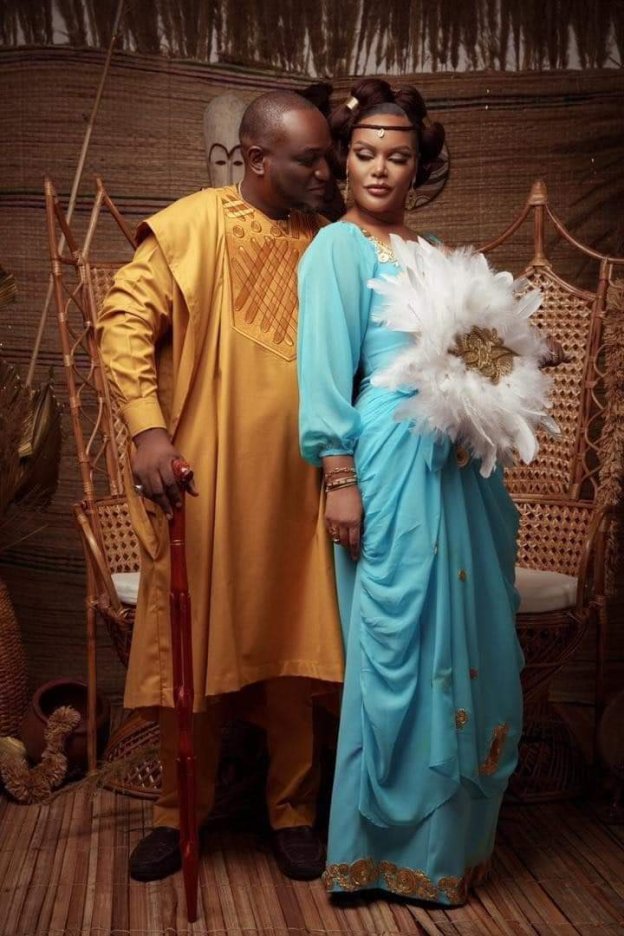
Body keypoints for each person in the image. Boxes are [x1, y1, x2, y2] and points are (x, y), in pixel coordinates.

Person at [97, 90, 344, 884]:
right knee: (190, 649)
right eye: (310, 158)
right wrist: (148, 430)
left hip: (302, 488)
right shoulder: (192, 225)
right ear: (256, 158)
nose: (327, 170)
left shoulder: (326, 241)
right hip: (205, 486)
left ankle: (293, 812)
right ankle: (178, 815)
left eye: (328, 156)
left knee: (297, 646)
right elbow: (122, 324)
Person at [297, 78, 525, 905]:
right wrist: (339, 477)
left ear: (417, 167)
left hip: (454, 466)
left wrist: (518, 360)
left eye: (397, 157)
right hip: (387, 464)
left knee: (463, 640)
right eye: (365, 154)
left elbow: (471, 350)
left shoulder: (430, 251)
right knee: (395, 644)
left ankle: (445, 856)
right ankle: (376, 851)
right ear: (342, 161)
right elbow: (325, 370)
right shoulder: (336, 249)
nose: (379, 170)